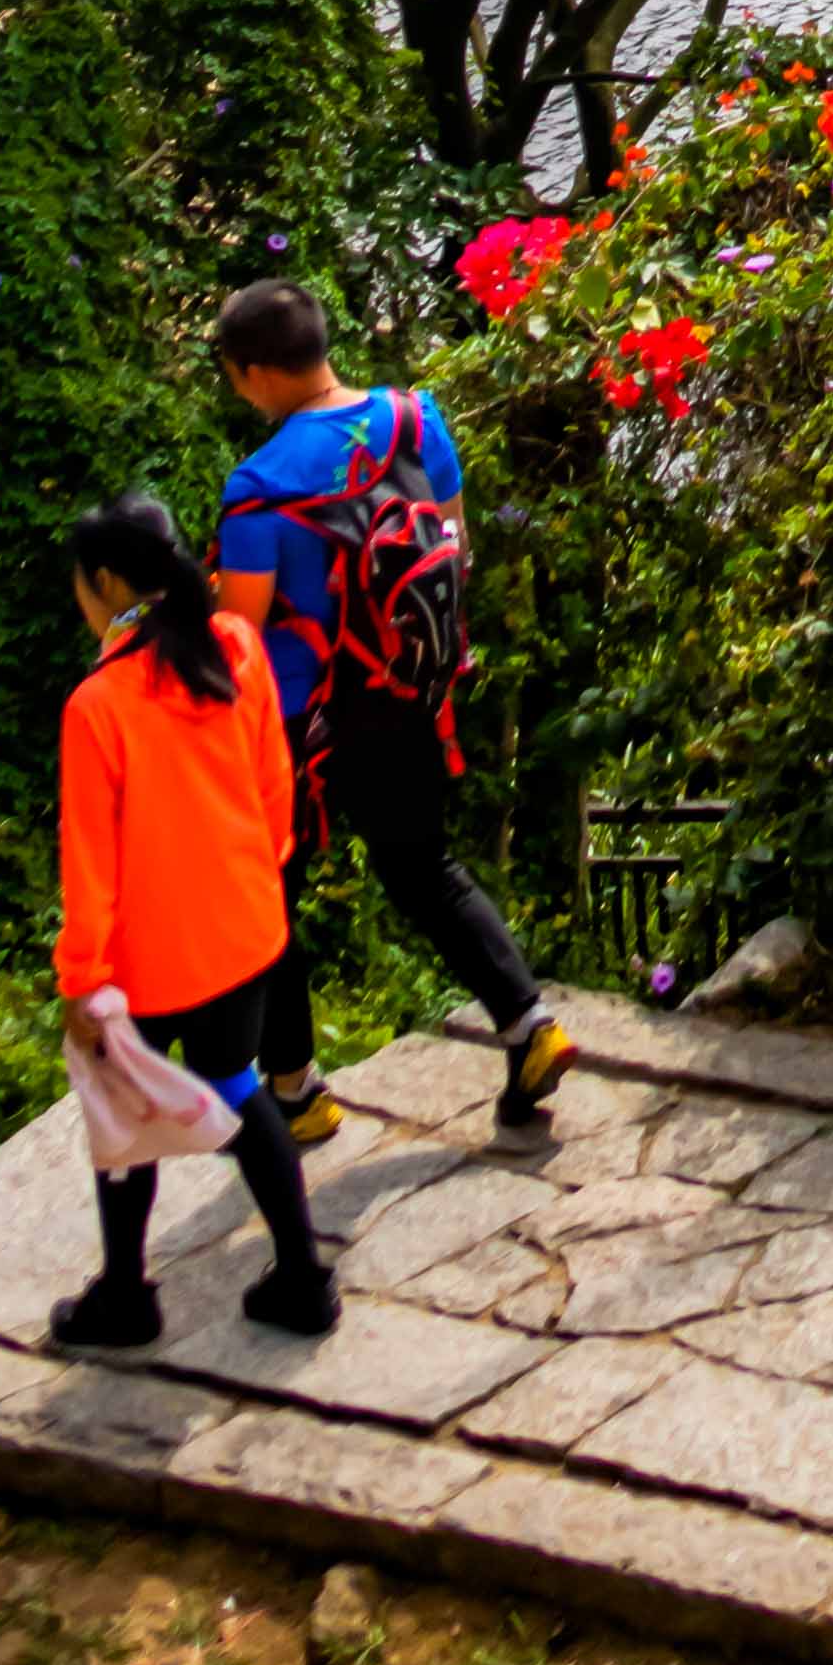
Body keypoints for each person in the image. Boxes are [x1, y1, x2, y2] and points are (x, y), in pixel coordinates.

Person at [208, 267, 574, 1149]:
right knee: (425, 870)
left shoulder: (257, 486)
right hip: (406, 693)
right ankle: (531, 1026)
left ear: (254, 371)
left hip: (298, 724)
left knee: (270, 900)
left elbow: (240, 632)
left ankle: (298, 1093)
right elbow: (455, 541)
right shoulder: (415, 419)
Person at [48, 491, 340, 1356]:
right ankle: (303, 1276)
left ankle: (127, 1300)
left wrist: (81, 978)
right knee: (238, 1085)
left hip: (148, 954)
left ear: (104, 582)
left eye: (80, 584)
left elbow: (89, 862)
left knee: (125, 1110)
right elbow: (271, 785)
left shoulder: (98, 703)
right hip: (245, 928)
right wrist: (257, 870)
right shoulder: (236, 647)